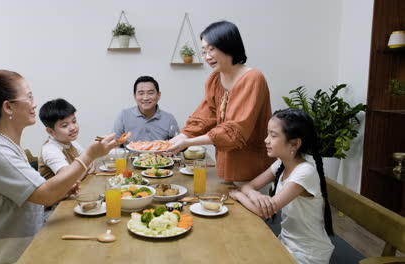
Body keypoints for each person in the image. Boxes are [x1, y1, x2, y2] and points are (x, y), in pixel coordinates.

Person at [0, 69, 117, 264]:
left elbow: (35, 198)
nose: (34, 104)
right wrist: (90, 155)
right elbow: (44, 194)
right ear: (8, 107)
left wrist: (61, 192)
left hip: (25, 244)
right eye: (29, 96)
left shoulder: (8, 147)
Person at [167, 21, 273, 182]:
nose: (207, 56)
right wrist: (177, 139)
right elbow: (204, 117)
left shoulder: (253, 78)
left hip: (253, 169)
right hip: (225, 164)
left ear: (228, 45)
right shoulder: (215, 79)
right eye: (204, 51)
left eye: (212, 49)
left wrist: (188, 142)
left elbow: (234, 131)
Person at [229, 108, 334, 264]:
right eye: (267, 134)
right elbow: (249, 186)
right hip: (286, 243)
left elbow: (264, 211)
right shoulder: (281, 164)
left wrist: (238, 195)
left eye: (273, 135)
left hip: (308, 255)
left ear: (294, 144)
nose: (266, 140)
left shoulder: (304, 172)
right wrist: (254, 194)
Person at [113, 76, 179, 145]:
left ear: (158, 95)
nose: (145, 98)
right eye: (141, 93)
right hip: (131, 155)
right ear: (135, 96)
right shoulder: (124, 115)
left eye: (150, 93)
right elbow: (115, 144)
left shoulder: (169, 119)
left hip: (160, 155)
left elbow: (176, 145)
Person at [38, 98, 91, 180]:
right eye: (65, 125)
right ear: (50, 131)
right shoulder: (50, 150)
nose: (73, 128)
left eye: (74, 121)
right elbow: (69, 180)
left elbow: (90, 163)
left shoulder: (72, 142)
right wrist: (87, 163)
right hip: (58, 193)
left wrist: (87, 163)